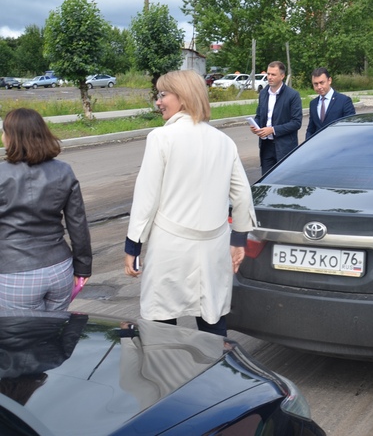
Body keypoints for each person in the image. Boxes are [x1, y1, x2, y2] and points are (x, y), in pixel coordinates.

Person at [124, 70, 256, 337]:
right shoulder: (224, 142)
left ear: (183, 98)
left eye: (163, 95)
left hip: (170, 249)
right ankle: (213, 373)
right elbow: (242, 195)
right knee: (212, 319)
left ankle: (165, 376)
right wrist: (239, 239)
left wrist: (133, 246)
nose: (158, 102)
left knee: (161, 321)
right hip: (214, 247)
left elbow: (146, 198)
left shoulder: (161, 138)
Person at [0, 108, 92, 311]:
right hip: (59, 270)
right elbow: (78, 224)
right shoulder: (63, 170)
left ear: (11, 137)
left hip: (15, 274)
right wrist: (83, 267)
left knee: (21, 340)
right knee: (54, 336)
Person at [250, 61, 302, 173]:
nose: (269, 77)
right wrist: (255, 125)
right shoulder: (263, 93)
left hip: (285, 148)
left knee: (284, 184)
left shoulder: (293, 95)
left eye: (273, 74)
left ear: (282, 76)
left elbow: (296, 122)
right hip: (266, 146)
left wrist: (273, 130)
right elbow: (259, 115)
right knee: (266, 181)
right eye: (268, 74)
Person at [305, 67, 356, 140]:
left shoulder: (344, 101)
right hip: (318, 148)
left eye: (322, 83)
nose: (319, 87)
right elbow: (311, 129)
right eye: (316, 84)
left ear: (329, 80)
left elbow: (351, 127)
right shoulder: (313, 104)